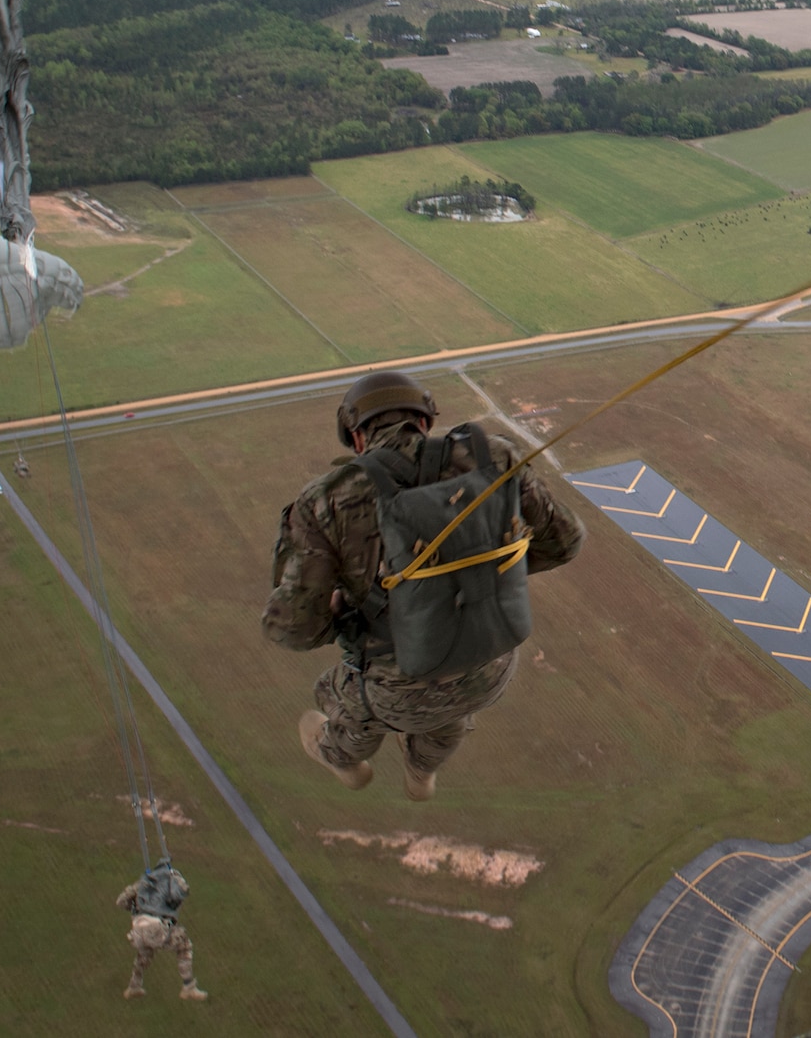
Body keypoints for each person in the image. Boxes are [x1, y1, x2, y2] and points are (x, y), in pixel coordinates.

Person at [263, 371, 584, 799]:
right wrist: (479, 577)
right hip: (492, 664)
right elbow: (564, 542)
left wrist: (344, 616)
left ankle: (341, 759)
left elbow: (292, 627)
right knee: (449, 702)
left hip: (394, 686)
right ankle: (421, 770)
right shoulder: (496, 457)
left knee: (341, 695)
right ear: (425, 421)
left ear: (357, 437)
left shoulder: (326, 500)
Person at [117, 860, 205, 1001]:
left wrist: (138, 906)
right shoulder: (170, 882)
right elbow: (180, 894)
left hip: (138, 930)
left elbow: (121, 901)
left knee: (145, 951)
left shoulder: (143, 885)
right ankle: (188, 987)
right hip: (156, 927)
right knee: (184, 944)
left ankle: (134, 986)